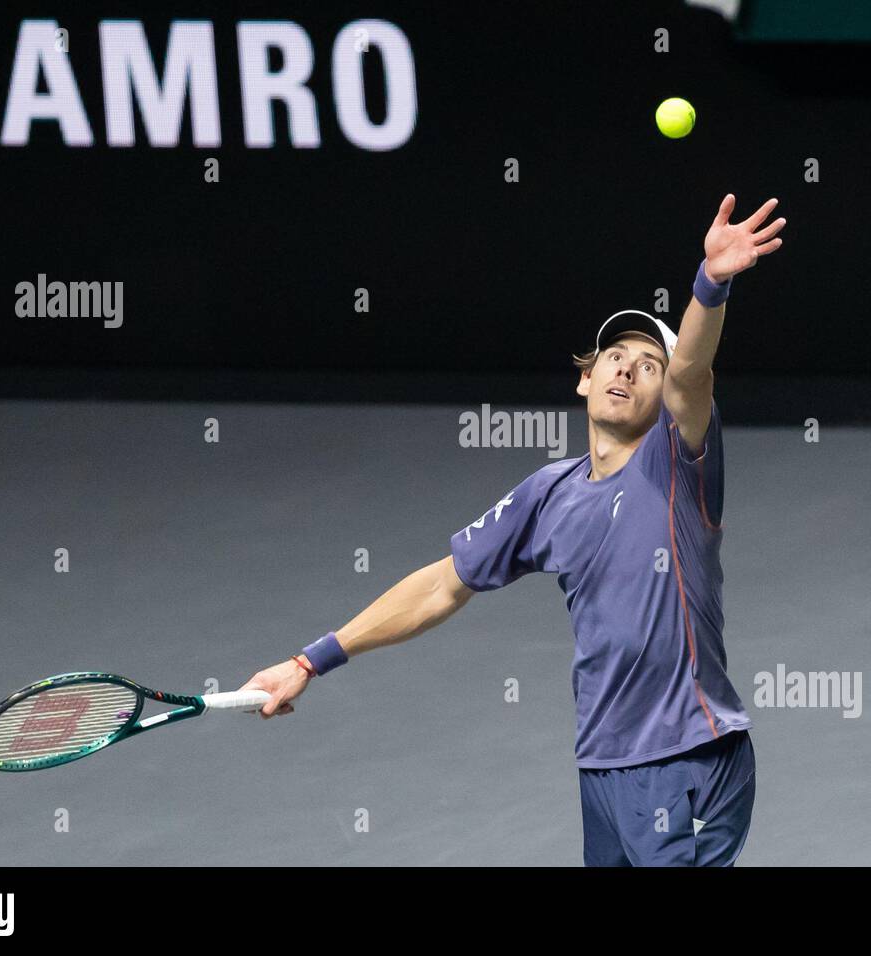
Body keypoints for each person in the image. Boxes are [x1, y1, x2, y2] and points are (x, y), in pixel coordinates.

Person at [241, 193, 786, 865]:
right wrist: (308, 661)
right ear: (584, 381)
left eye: (649, 366)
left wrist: (711, 283)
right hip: (604, 768)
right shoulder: (547, 494)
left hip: (690, 757)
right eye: (614, 356)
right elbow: (442, 587)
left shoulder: (678, 462)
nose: (627, 369)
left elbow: (694, 372)